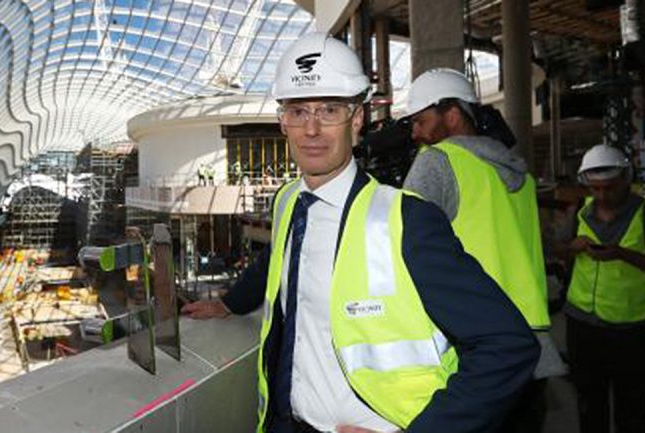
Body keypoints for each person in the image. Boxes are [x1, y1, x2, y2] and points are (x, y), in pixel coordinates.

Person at [182, 32, 538, 433]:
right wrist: (231, 303)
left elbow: (508, 345)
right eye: (298, 111)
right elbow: (279, 259)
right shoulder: (288, 202)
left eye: (329, 110)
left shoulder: (405, 220)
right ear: (282, 121)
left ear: (356, 120)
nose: (312, 129)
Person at [401, 68, 565, 433]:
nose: (415, 133)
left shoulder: (438, 161)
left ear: (453, 115)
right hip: (531, 349)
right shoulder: (519, 175)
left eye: (421, 121)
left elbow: (398, 241)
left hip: (475, 351)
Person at [551, 144, 645, 433]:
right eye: (595, 189)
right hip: (583, 327)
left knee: (633, 412)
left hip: (634, 330)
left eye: (609, 188)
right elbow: (557, 249)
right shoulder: (579, 213)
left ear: (626, 179)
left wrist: (623, 255)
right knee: (589, 407)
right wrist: (571, 247)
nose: (601, 196)